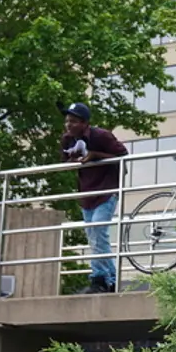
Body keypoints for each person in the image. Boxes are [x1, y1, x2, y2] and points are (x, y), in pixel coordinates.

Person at [60, 102, 127, 294]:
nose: (68, 125)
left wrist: (95, 155)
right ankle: (110, 279)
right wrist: (72, 158)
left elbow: (124, 155)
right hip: (87, 193)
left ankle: (101, 278)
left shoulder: (101, 136)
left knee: (98, 230)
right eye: (67, 121)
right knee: (93, 236)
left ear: (84, 123)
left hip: (106, 190)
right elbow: (64, 160)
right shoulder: (67, 139)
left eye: (73, 121)